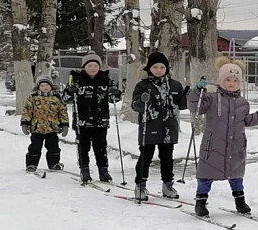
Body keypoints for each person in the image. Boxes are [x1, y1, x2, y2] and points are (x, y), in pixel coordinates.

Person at [192, 58, 258, 217]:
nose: (231, 83)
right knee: (206, 175)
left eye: (235, 80)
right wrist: (197, 92)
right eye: (227, 79)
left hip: (235, 146)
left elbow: (248, 121)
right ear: (221, 81)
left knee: (236, 176)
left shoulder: (243, 102)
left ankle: (240, 202)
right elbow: (196, 108)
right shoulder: (211, 98)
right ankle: (200, 202)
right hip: (213, 145)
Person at [131, 50, 189, 201]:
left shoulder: (174, 85)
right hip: (149, 125)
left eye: (162, 67)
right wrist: (141, 101)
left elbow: (182, 105)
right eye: (155, 67)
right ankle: (141, 185)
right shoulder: (143, 85)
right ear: (149, 68)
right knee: (146, 157)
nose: (158, 70)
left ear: (167, 69)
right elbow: (135, 106)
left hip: (168, 127)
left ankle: (167, 184)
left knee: (167, 157)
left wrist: (189, 95)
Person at [63, 55, 121, 185]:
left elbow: (115, 99)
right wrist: (70, 91)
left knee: (101, 147)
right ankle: (84, 169)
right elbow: (65, 99)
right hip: (82, 121)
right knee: (83, 147)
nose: (93, 68)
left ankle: (103, 170)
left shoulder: (106, 80)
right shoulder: (77, 80)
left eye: (95, 65)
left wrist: (115, 93)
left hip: (100, 120)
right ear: (84, 67)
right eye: (90, 65)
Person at [20, 77, 68, 173]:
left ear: (51, 86)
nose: (45, 87)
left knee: (54, 147)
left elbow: (62, 112)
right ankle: (31, 164)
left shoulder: (57, 98)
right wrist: (25, 123)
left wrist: (65, 125)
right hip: (37, 128)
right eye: (42, 85)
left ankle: (54, 163)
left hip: (53, 128)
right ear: (38, 87)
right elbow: (27, 111)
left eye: (47, 85)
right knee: (35, 147)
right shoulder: (33, 97)